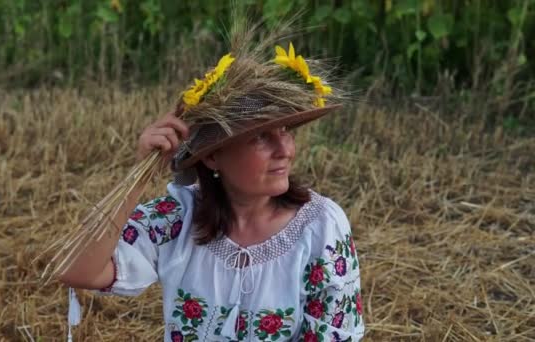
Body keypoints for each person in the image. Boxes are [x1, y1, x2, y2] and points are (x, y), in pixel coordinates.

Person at [59, 40, 364, 341]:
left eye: (285, 131)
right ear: (213, 155)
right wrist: (139, 177)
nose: (284, 149)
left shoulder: (321, 227)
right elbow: (77, 271)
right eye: (260, 136)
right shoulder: (177, 219)